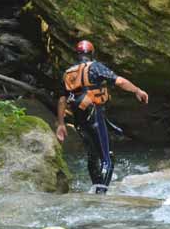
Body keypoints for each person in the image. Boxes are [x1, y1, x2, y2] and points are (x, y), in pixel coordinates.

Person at [54, 39, 149, 194]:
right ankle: (101, 194)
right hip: (94, 114)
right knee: (107, 158)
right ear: (91, 53)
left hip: (79, 118)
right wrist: (137, 90)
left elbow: (62, 99)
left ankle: (96, 188)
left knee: (92, 155)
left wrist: (61, 124)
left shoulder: (68, 73)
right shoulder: (95, 67)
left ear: (77, 55)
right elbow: (119, 81)